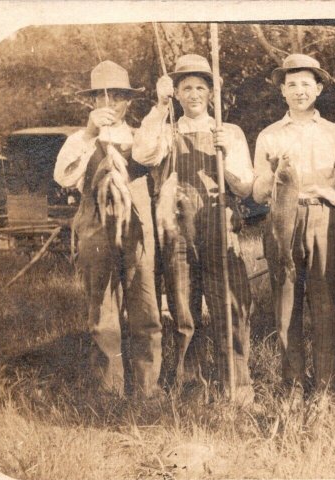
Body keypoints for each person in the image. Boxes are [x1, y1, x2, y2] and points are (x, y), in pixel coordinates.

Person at [132, 54, 255, 404]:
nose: (194, 94)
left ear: (212, 93)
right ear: (177, 93)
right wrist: (159, 107)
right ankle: (191, 386)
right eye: (186, 87)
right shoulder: (167, 130)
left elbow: (245, 187)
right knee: (184, 308)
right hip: (178, 228)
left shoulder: (229, 132)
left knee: (229, 303)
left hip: (219, 223)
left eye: (201, 87)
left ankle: (237, 386)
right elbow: (142, 155)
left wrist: (226, 153)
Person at [54, 60, 162, 401]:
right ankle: (110, 390)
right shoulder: (79, 139)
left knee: (145, 307)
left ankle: (147, 389)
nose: (109, 104)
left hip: (137, 230)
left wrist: (161, 106)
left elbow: (152, 153)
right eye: (102, 98)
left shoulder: (140, 136)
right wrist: (89, 134)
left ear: (128, 102)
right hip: (95, 230)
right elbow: (64, 177)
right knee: (102, 311)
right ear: (91, 103)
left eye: (117, 97)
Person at [252, 54, 335, 399]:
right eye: (292, 84)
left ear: (319, 89)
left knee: (325, 304)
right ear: (282, 90)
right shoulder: (268, 136)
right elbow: (257, 191)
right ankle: (293, 383)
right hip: (283, 218)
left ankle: (327, 386)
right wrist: (270, 171)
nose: (299, 91)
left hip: (325, 219)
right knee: (286, 302)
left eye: (306, 84)